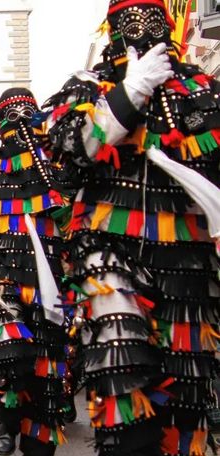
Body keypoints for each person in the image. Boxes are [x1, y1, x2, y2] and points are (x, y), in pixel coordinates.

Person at [45, 1, 220, 454]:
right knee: (121, 373)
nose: (139, 29)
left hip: (188, 257)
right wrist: (130, 93)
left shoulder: (200, 88)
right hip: (106, 249)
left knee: (189, 390)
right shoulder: (87, 87)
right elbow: (72, 153)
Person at [0, 88, 69, 456]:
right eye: (11, 116)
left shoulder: (56, 165)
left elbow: (74, 217)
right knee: (9, 348)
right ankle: (6, 424)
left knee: (45, 362)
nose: (19, 122)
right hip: (1, 272)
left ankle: (38, 436)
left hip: (51, 277)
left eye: (27, 114)